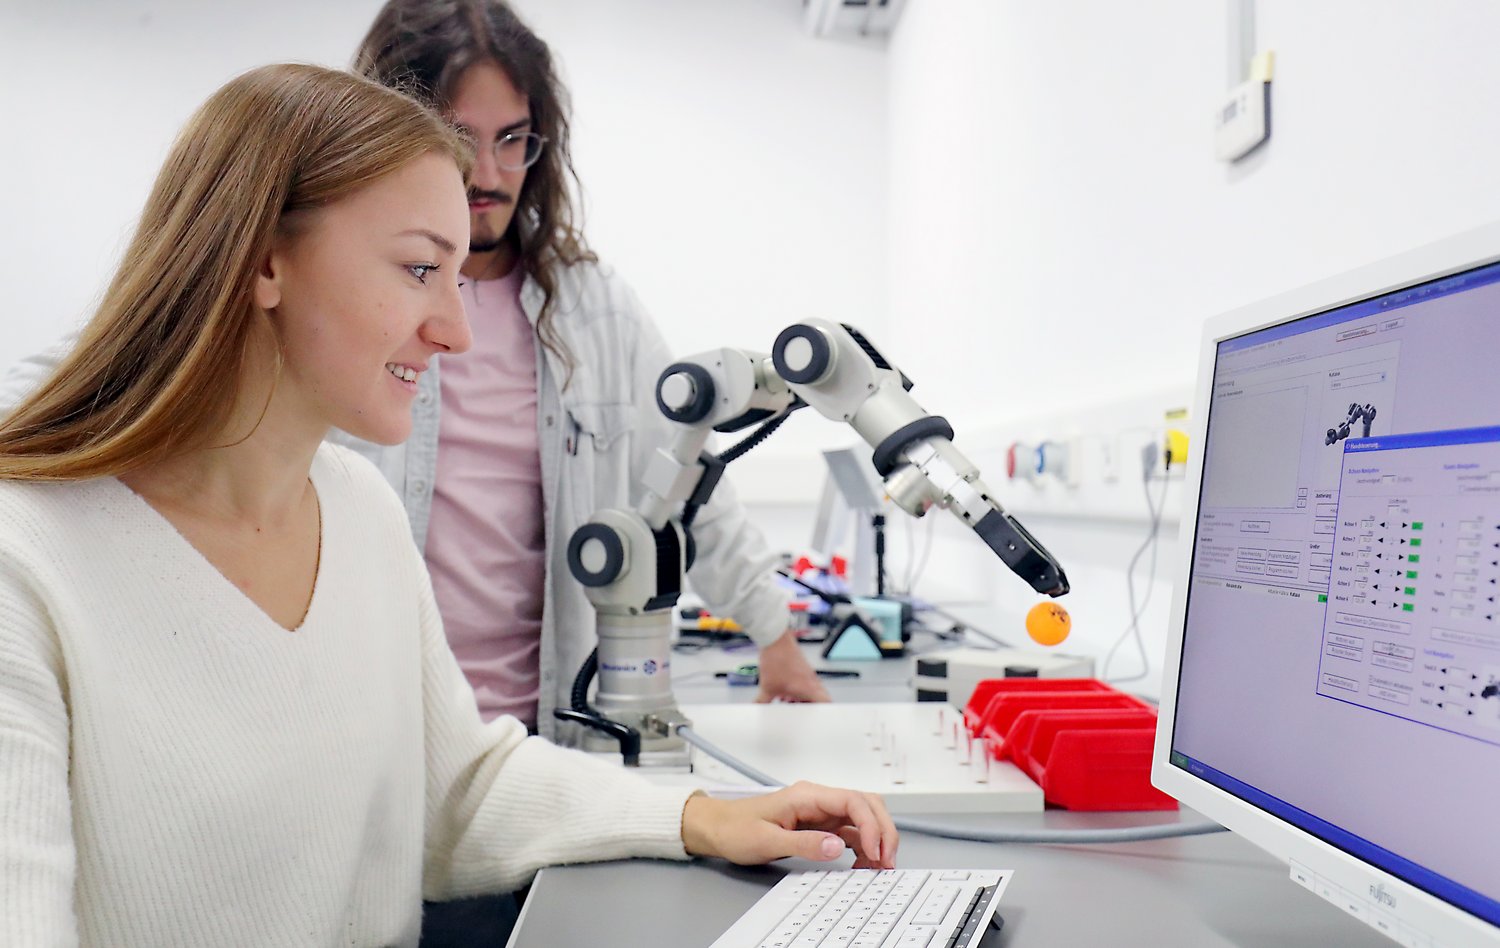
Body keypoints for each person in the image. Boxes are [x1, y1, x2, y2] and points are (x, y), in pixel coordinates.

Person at [0, 63, 896, 947]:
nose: (458, 332)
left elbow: (453, 791)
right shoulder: (29, 562)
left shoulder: (358, 513)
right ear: (263, 260)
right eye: (421, 269)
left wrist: (701, 816)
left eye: (458, 276)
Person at [0, 0, 828, 735]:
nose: (488, 175)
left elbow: (683, 484)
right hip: (363, 744)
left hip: (531, 739)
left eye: (514, 142)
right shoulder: (296, 331)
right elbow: (112, 362)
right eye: (460, 142)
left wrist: (777, 639)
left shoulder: (596, 312)